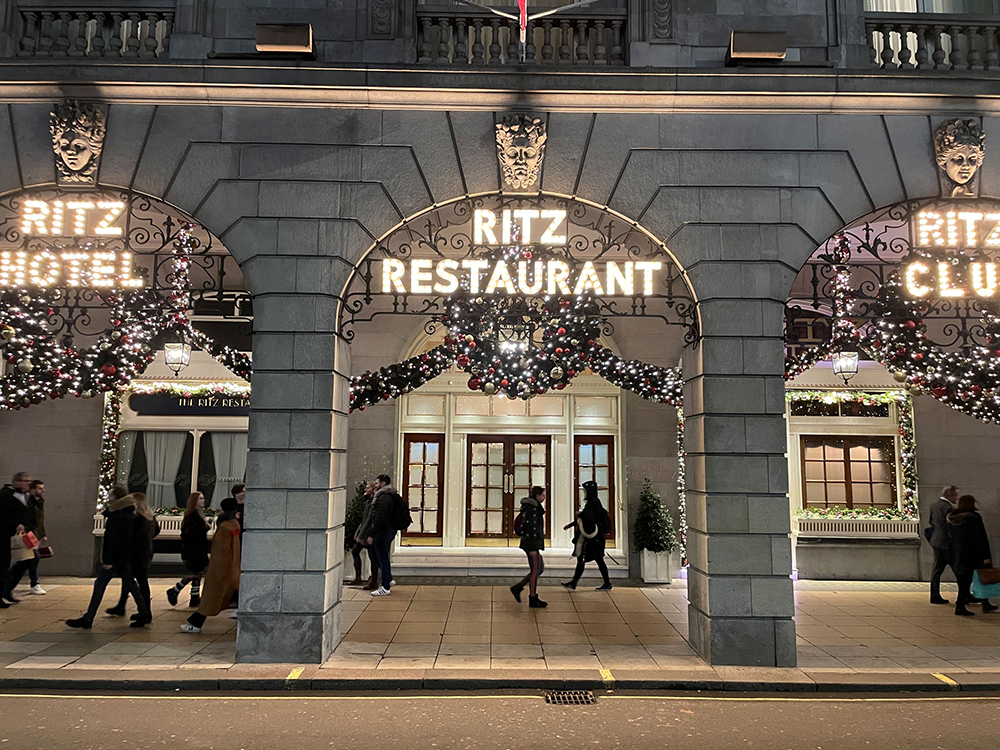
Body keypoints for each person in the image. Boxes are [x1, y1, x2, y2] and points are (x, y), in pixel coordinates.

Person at [66, 492, 151, 629]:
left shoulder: (117, 516)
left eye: (111, 496)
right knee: (130, 584)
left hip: (115, 558)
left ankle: (89, 618)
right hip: (124, 558)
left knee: (101, 585)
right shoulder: (131, 516)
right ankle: (143, 612)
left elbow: (112, 539)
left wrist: (107, 560)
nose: (108, 498)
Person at [180, 498, 242, 633]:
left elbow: (221, 551)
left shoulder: (225, 527)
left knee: (211, 598)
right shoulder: (235, 524)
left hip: (222, 568)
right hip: (234, 567)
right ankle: (195, 622)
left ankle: (195, 623)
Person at [107, 493, 160, 622]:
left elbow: (132, 538)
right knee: (135, 580)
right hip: (146, 552)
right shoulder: (150, 517)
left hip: (136, 554)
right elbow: (156, 531)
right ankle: (127, 606)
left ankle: (145, 611)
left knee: (137, 581)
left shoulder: (138, 519)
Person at [947, 494, 998, 617]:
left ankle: (970, 602)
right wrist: (986, 556)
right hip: (973, 554)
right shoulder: (974, 518)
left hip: (958, 553)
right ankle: (961, 605)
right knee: (980, 578)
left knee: (963, 580)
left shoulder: (953, 519)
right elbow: (980, 538)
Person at [562, 480, 613, 592]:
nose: (584, 493)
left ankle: (575, 583)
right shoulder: (594, 502)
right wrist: (571, 525)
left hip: (592, 539)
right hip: (595, 538)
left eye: (585, 490)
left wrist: (571, 524)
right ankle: (605, 583)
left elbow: (586, 518)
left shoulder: (592, 503)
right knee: (594, 560)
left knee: (586, 559)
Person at [4, 477, 48, 599]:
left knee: (28, 560)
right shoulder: (26, 500)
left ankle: (8, 585)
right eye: (39, 488)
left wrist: (42, 533)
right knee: (32, 558)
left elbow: (40, 519)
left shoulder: (39, 501)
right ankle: (33, 583)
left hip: (34, 533)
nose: (42, 491)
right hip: (28, 533)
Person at [167, 492, 210, 608]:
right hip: (194, 550)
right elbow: (190, 534)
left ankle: (194, 597)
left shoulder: (197, 515)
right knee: (196, 573)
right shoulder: (193, 517)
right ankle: (176, 590)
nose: (203, 500)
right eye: (200, 498)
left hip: (198, 549)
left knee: (198, 573)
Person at [511, 485, 547, 608]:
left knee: (539, 568)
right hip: (531, 544)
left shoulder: (531, 508)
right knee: (536, 570)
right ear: (537, 496)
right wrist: (534, 548)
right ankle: (532, 598)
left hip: (531, 543)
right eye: (542, 495)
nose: (544, 498)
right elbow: (533, 529)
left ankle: (518, 587)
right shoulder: (533, 509)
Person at [365, 474, 399, 597]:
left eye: (378, 483)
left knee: (382, 558)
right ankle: (387, 579)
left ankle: (385, 586)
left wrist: (371, 534)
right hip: (387, 530)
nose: (376, 485)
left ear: (383, 483)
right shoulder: (390, 495)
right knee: (378, 556)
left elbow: (378, 517)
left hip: (383, 532)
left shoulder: (383, 497)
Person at [928, 485, 959, 605]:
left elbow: (931, 521)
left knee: (937, 569)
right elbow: (951, 526)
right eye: (955, 495)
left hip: (936, 540)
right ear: (949, 495)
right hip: (946, 542)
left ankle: (934, 594)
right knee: (958, 569)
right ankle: (964, 595)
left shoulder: (934, 505)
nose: (956, 498)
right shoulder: (948, 507)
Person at [348, 482, 378, 587]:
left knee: (372, 557)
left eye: (368, 487)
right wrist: (358, 532)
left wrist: (368, 534)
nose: (366, 489)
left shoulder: (374, 503)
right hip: (364, 532)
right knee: (355, 551)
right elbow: (364, 520)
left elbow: (371, 520)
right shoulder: (367, 502)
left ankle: (374, 580)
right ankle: (358, 577)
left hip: (369, 533)